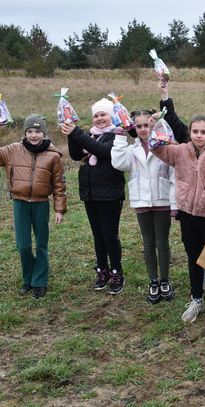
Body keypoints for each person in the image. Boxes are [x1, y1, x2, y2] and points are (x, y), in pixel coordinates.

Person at [151, 114, 205, 323]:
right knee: (194, 257)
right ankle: (196, 298)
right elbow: (157, 149)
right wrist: (156, 127)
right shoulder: (180, 151)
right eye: (195, 131)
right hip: (187, 214)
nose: (199, 136)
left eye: (203, 132)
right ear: (190, 133)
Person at [111, 109, 176, 304]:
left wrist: (174, 201)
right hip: (142, 201)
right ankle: (153, 281)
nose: (142, 129)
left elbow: (173, 172)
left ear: (152, 126)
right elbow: (118, 163)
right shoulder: (132, 150)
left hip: (162, 200)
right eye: (138, 126)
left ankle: (165, 280)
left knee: (162, 242)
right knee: (148, 243)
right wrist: (121, 138)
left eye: (146, 125)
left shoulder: (164, 146)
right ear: (134, 128)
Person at [61, 98, 126, 294]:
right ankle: (102, 270)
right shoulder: (90, 135)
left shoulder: (116, 135)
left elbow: (102, 151)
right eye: (96, 115)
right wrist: (70, 134)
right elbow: (75, 155)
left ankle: (116, 272)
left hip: (110, 194)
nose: (99, 119)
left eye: (103, 114)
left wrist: (77, 133)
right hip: (90, 193)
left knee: (109, 235)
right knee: (97, 235)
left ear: (111, 116)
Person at [0, 114, 66, 299]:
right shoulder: (13, 150)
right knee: (23, 245)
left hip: (41, 204)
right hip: (20, 203)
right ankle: (28, 279)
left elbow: (59, 184)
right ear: (25, 133)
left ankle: (40, 282)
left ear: (44, 133)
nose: (33, 135)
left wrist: (59, 209)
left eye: (38, 131)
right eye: (30, 131)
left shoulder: (53, 156)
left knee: (41, 244)